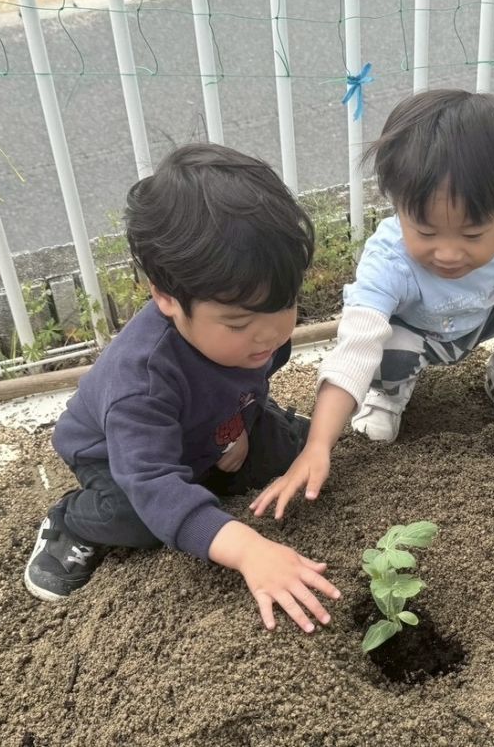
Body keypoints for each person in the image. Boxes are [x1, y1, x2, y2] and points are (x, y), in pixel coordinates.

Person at [23, 143, 340, 634]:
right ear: (166, 297)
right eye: (237, 322)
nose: (269, 334)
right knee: (141, 518)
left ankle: (229, 450)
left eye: (284, 305)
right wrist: (251, 550)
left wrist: (244, 427)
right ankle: (72, 521)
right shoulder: (142, 385)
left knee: (290, 453)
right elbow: (152, 482)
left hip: (212, 427)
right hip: (121, 456)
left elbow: (252, 381)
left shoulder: (257, 336)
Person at [251, 89, 494, 520]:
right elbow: (354, 346)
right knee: (382, 340)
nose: (448, 254)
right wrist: (318, 445)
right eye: (426, 233)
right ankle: (388, 395)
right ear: (399, 207)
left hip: (481, 319)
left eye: (472, 235)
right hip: (416, 336)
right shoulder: (388, 260)